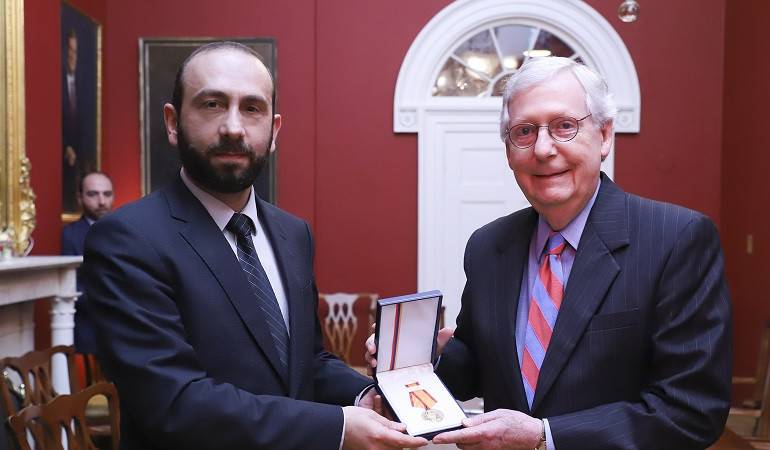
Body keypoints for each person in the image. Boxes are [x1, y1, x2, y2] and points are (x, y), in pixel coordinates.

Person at [368, 57, 731, 449]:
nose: (543, 149)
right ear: (509, 151)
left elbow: (691, 410)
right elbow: (475, 366)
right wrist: (420, 361)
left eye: (564, 127)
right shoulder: (489, 247)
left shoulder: (676, 239)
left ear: (605, 135)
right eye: (524, 132)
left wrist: (546, 437)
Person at [83, 42, 427, 450]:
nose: (233, 127)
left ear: (274, 130)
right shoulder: (128, 239)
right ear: (173, 122)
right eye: (211, 104)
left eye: (252, 108)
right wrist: (336, 427)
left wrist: (366, 396)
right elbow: (174, 403)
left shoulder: (292, 233)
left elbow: (306, 362)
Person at [61, 171, 114, 354]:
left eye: (107, 194)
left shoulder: (126, 231)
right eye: (93, 194)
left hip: (128, 328)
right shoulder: (70, 236)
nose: (101, 201)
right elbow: (71, 286)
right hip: (90, 328)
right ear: (79, 198)